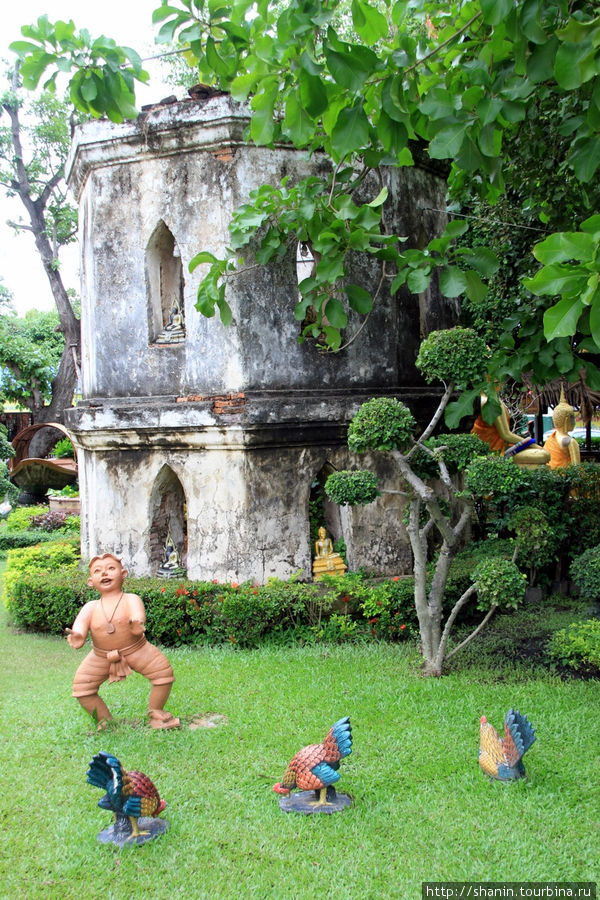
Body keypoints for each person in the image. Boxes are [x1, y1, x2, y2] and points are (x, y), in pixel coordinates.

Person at [66, 553, 180, 730]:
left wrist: (136, 623)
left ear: (124, 574)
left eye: (111, 569)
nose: (105, 574)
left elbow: (137, 614)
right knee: (82, 688)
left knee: (163, 676)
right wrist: (78, 635)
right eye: (98, 571)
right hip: (101, 656)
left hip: (136, 649)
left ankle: (156, 713)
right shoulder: (90, 607)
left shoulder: (131, 598)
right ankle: (105, 721)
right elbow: (80, 625)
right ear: (90, 581)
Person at [471, 392, 550, 468]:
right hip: (494, 452)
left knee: (542, 454)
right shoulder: (490, 401)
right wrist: (534, 445)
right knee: (543, 455)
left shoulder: (486, 399)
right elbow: (506, 435)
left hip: (502, 448)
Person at [543, 387, 581, 469]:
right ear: (566, 420)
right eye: (572, 418)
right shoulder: (570, 441)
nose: (574, 421)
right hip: (565, 477)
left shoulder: (551, 438)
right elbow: (577, 468)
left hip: (550, 477)